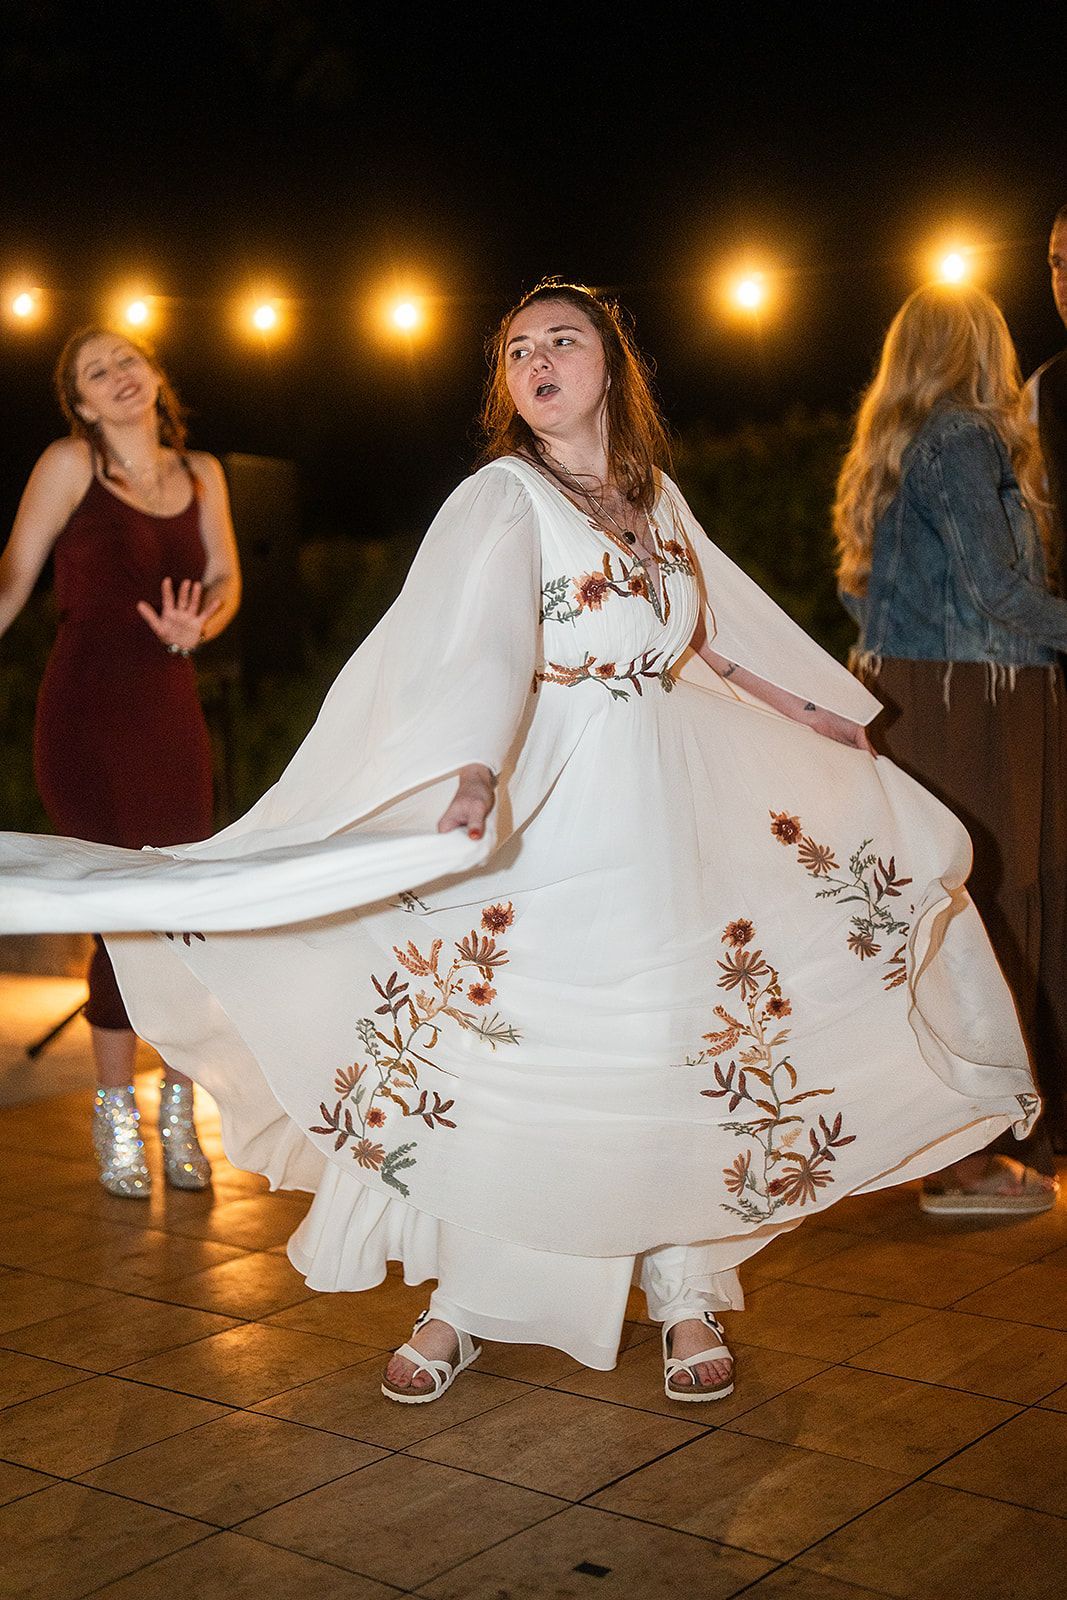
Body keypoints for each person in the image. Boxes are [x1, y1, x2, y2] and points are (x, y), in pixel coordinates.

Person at [0, 282, 1039, 1405]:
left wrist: (813, 711)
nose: (537, 358)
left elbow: (709, 635)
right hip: (554, 802)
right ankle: (469, 1298)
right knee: (530, 1040)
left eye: (562, 340)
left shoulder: (653, 496)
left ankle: (684, 1287)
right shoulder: (503, 497)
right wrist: (475, 770)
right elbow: (482, 648)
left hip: (669, 806)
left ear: (610, 365)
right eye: (516, 348)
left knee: (668, 1033)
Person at [835, 282, 1067, 1206]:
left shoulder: (887, 449)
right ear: (983, 349)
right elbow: (999, 594)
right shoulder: (967, 438)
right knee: (997, 907)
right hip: (978, 698)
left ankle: (944, 1148)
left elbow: (862, 597)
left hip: (908, 697)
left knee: (935, 915)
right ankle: (969, 1160)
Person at [0, 327, 241, 1197]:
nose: (117, 376)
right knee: (122, 916)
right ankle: (115, 1120)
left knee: (183, 916)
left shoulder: (203, 472)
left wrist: (202, 625)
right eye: (95, 372)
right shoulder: (70, 464)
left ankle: (178, 1112)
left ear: (152, 374)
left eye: (126, 360)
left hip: (169, 713)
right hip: (84, 714)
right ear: (83, 403)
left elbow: (224, 579)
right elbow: (11, 579)